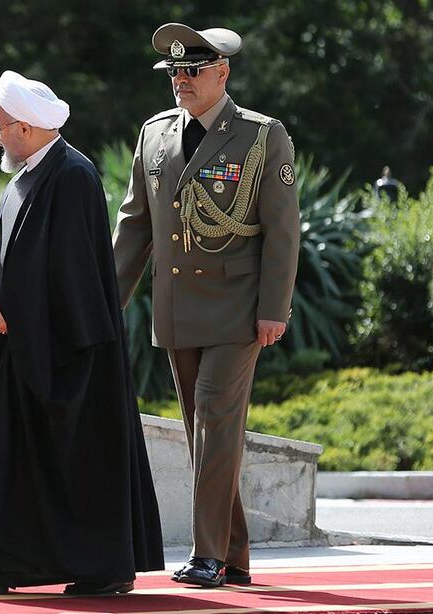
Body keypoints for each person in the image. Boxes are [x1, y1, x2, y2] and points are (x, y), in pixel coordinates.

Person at [0, 71, 164, 595]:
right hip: (29, 353)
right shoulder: (25, 177)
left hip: (71, 356)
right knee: (10, 460)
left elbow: (72, 268)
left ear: (27, 128)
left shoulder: (73, 175)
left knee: (77, 464)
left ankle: (102, 571)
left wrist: (20, 310)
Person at [112, 24, 300, 588]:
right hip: (178, 307)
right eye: (174, 72)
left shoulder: (262, 136)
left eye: (192, 71)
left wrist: (275, 308)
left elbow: (283, 231)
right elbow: (134, 227)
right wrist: (103, 302)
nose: (181, 81)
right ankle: (236, 553)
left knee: (216, 422)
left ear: (223, 73)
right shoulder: (155, 135)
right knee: (203, 429)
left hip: (238, 308)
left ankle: (208, 554)